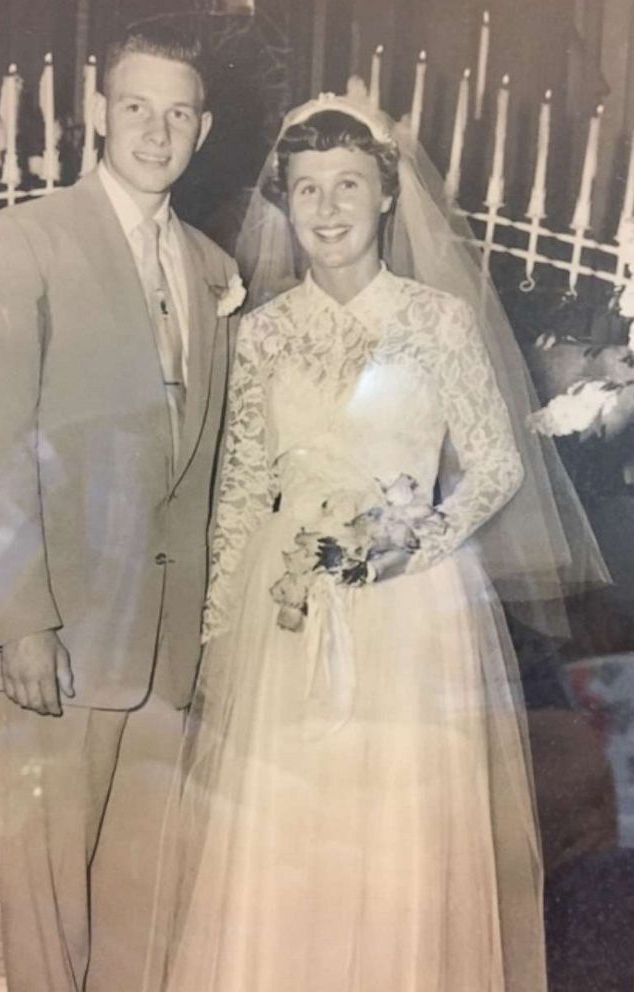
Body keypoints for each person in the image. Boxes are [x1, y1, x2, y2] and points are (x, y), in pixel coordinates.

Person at [147, 82, 609, 992]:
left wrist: (412, 542)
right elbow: (242, 487)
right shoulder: (261, 332)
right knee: (280, 847)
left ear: (388, 194)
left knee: (390, 844)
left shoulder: (436, 320)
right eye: (308, 187)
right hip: (278, 622)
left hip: (406, 611)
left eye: (348, 185)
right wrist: (212, 635)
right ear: (287, 201)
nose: (327, 209)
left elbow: (496, 465)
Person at [0, 22, 242, 992]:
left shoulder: (210, 267)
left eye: (178, 112)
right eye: (135, 107)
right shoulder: (23, 240)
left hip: (167, 646)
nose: (156, 131)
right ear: (94, 108)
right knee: (46, 905)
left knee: (142, 907)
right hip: (60, 637)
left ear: (202, 128)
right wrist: (20, 617)